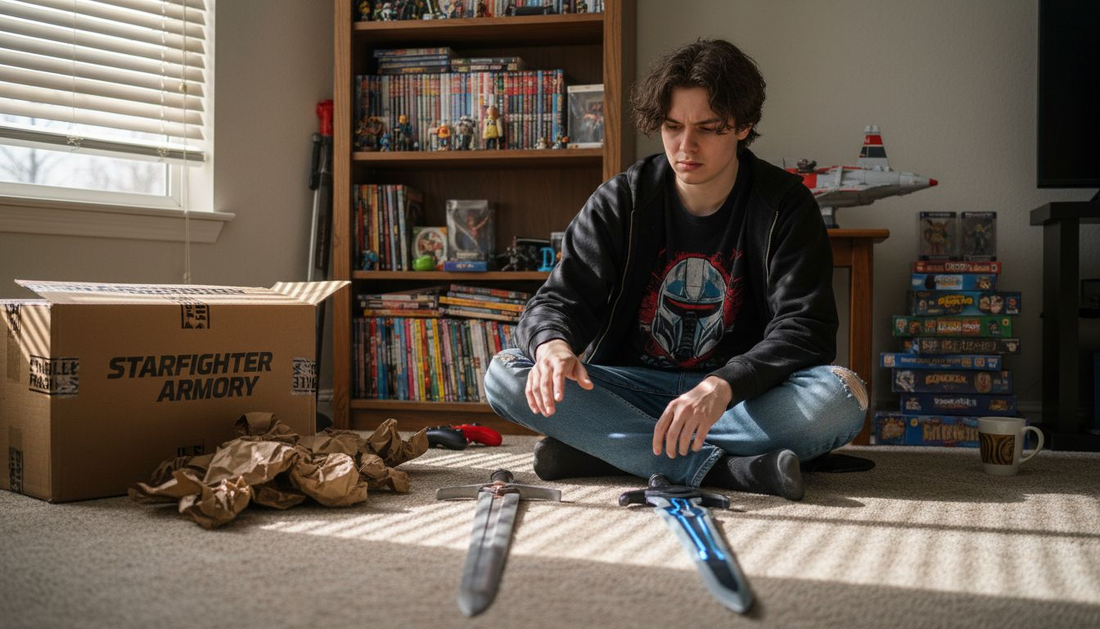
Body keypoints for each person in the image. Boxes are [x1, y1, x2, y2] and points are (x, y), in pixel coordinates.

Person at [483, 39, 870, 501]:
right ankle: (727, 470)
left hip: (738, 398)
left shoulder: (785, 205)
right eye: (672, 126)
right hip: (632, 388)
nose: (686, 146)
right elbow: (560, 299)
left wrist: (722, 385)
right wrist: (552, 346)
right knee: (507, 372)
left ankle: (603, 451)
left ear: (744, 126)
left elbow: (806, 329)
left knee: (842, 396)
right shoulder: (621, 200)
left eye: (708, 128)